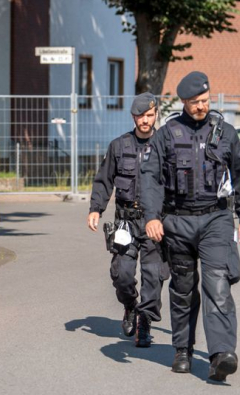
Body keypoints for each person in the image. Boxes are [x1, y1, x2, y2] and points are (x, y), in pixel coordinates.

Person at [140, 71, 240, 381]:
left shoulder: (225, 132)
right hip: (177, 221)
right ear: (184, 102)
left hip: (216, 218)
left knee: (218, 285)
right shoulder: (166, 134)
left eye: (205, 100)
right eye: (195, 102)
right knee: (183, 289)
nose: (202, 106)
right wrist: (152, 216)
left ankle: (220, 355)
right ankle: (182, 349)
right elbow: (150, 177)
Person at [87, 92, 166, 347]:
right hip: (125, 222)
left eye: (150, 115)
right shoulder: (119, 146)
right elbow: (104, 179)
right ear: (134, 116)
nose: (146, 120)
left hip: (156, 223)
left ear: (156, 116)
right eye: (141, 115)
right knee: (122, 274)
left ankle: (145, 322)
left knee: (153, 276)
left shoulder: (165, 148)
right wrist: (96, 208)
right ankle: (131, 306)